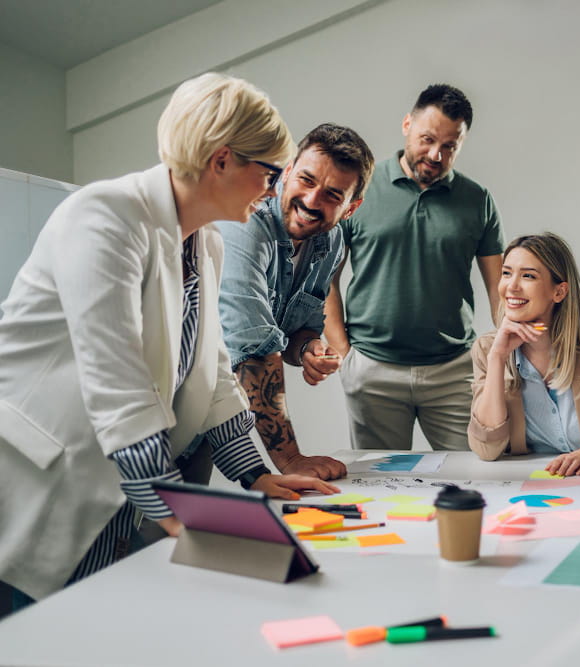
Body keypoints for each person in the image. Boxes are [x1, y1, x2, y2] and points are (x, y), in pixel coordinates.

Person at [0, 73, 338, 607]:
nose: (274, 189)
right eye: (270, 172)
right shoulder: (104, 216)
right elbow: (119, 387)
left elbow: (215, 376)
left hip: (113, 493)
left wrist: (255, 475)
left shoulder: (204, 242)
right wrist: (184, 512)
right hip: (37, 486)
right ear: (222, 160)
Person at [324, 83, 505, 451]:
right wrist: (345, 355)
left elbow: (500, 288)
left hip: (454, 370)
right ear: (407, 124)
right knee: (378, 488)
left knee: (471, 478)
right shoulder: (360, 189)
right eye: (427, 139)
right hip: (373, 369)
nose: (436, 154)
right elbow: (326, 279)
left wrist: (503, 360)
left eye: (449, 146)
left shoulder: (477, 200)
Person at [217, 124, 374, 481]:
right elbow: (254, 349)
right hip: (162, 399)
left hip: (218, 413)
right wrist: (291, 459)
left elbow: (295, 329)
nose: (312, 201)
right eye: (306, 179)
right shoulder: (247, 222)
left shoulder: (330, 242)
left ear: (351, 208)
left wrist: (307, 349)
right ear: (287, 171)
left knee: (181, 525)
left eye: (333, 195)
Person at [468, 233, 580, 476]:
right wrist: (497, 358)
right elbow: (486, 449)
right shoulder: (488, 349)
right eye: (506, 273)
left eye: (528, 276)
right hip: (527, 481)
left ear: (559, 292)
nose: (511, 286)